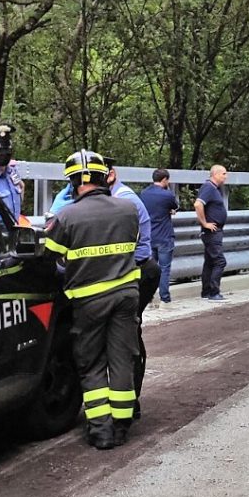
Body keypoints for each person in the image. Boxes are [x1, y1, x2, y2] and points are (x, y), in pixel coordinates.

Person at [44, 149, 140, 450]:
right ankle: (123, 425)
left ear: (73, 183)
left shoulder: (66, 216)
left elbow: (49, 256)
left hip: (89, 301)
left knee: (91, 363)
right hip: (127, 296)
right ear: (104, 176)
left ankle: (101, 431)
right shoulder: (128, 209)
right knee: (122, 358)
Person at [104, 158, 160, 421]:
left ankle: (130, 400)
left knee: (128, 334)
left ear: (111, 175)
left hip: (138, 271)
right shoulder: (110, 198)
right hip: (132, 270)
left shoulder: (124, 201)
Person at [139, 168, 179, 304]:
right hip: (164, 237)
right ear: (164, 180)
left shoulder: (144, 193)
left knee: (149, 270)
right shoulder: (167, 195)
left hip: (149, 236)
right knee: (164, 269)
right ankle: (164, 299)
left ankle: (148, 298)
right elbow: (174, 207)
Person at [194, 165, 228, 300]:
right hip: (211, 232)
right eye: (224, 174)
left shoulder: (215, 189)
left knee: (209, 262)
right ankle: (214, 292)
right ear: (216, 174)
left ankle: (206, 291)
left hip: (215, 231)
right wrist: (204, 223)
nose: (226, 176)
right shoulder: (208, 187)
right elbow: (198, 204)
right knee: (220, 261)